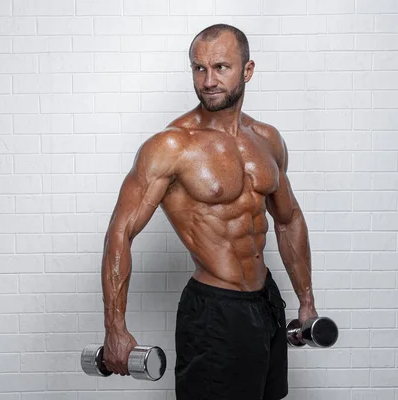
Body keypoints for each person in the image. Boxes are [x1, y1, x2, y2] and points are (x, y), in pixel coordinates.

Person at [99, 24, 319, 400]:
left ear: (247, 71)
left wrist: (307, 301)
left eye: (221, 67)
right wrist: (115, 328)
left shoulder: (267, 139)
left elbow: (288, 219)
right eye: (199, 68)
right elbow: (120, 232)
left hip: (267, 301)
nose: (208, 80)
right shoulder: (171, 145)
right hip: (214, 311)